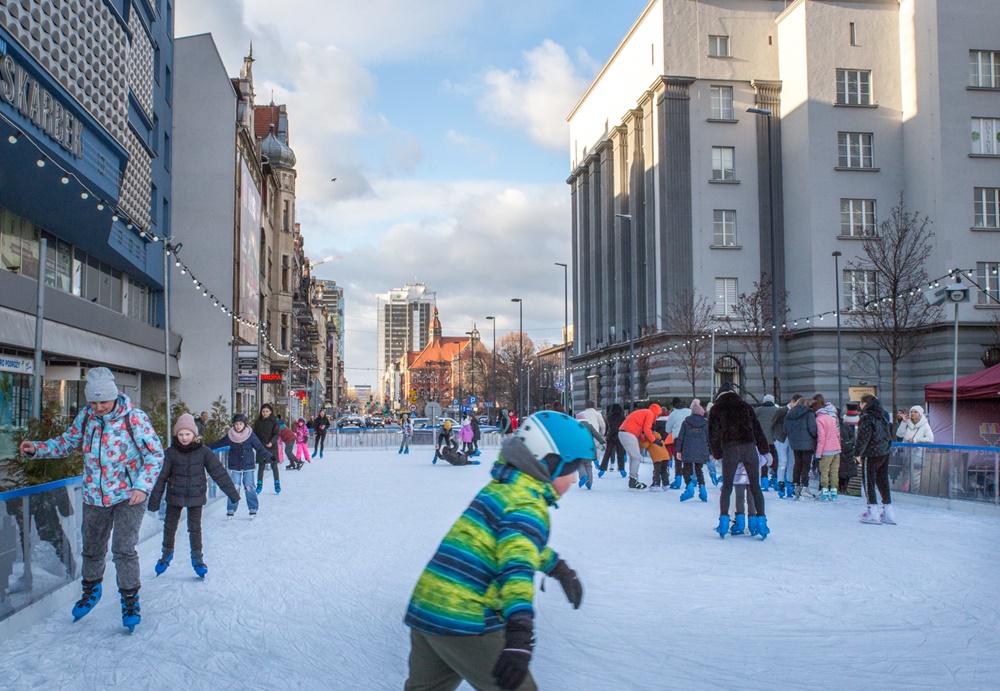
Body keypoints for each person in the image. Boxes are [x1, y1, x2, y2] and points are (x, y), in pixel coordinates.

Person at [403, 411, 590, 691]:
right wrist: (519, 634)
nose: (574, 480)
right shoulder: (528, 505)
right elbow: (516, 566)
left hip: (429, 606)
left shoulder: (504, 486)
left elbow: (511, 543)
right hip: (464, 617)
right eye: (570, 469)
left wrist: (556, 567)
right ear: (548, 464)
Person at [18, 367, 164, 632]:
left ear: (115, 396)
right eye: (93, 402)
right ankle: (91, 589)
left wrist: (142, 486)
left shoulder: (134, 419)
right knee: (92, 547)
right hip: (94, 496)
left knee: (123, 549)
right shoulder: (86, 418)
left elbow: (155, 455)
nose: (97, 407)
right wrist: (38, 449)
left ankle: (130, 600)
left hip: (129, 496)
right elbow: (67, 443)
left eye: (103, 402)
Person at [147, 414, 240, 579]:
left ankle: (197, 558)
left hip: (196, 496)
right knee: (170, 527)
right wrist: (154, 502)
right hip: (175, 496)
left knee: (195, 528)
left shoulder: (204, 452)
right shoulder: (171, 453)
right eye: (181, 434)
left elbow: (219, 473)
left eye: (187, 434)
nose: (184, 438)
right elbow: (161, 478)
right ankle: (166, 554)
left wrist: (232, 494)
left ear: (194, 435)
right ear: (176, 435)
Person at [708, 383, 771, 539]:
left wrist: (718, 453)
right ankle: (761, 523)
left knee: (728, 487)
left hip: (731, 449)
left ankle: (724, 523)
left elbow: (713, 435)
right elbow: (758, 430)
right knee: (755, 486)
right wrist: (765, 451)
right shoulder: (745, 406)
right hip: (749, 448)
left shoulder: (716, 409)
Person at [209, 413, 274, 518]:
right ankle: (231, 508)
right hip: (235, 466)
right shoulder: (230, 436)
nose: (238, 426)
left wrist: (270, 456)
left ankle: (253, 507)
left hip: (248, 466)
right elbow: (219, 443)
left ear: (245, 424)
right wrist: (206, 448)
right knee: (234, 487)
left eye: (240, 424)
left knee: (249, 487)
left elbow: (260, 448)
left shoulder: (250, 436)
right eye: (236, 424)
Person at [855, 393, 895, 525]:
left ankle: (872, 511)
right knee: (883, 480)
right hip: (884, 452)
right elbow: (889, 434)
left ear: (864, 404)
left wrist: (857, 453)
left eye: (860, 403)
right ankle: (888, 511)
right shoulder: (883, 415)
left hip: (871, 453)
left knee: (868, 482)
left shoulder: (867, 417)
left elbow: (863, 437)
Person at [618, 403, 663, 491]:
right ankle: (633, 481)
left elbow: (640, 431)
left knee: (633, 457)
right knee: (636, 457)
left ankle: (633, 479)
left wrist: (644, 441)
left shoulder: (644, 412)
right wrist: (654, 440)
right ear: (656, 413)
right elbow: (646, 429)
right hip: (629, 433)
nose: (657, 418)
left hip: (624, 433)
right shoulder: (650, 414)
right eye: (658, 415)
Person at [675, 399, 710, 502]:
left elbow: (681, 437)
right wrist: (711, 452)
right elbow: (709, 438)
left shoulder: (686, 422)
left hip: (688, 449)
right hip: (701, 450)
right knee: (699, 470)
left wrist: (678, 450)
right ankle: (702, 488)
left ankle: (689, 487)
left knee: (686, 469)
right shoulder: (705, 423)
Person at [784, 394, 817, 499]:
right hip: (808, 444)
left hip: (795, 443)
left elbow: (785, 429)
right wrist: (815, 437)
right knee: (806, 466)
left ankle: (796, 486)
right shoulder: (809, 413)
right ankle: (804, 487)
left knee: (797, 464)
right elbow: (813, 429)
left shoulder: (789, 413)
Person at [813, 394, 842, 501]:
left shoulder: (819, 420)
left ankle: (825, 490)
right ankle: (834, 491)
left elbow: (821, 437)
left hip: (826, 450)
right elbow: (837, 433)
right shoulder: (831, 418)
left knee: (824, 471)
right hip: (836, 449)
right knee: (834, 471)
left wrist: (818, 453)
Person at [252, 403, 281, 494]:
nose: (264, 413)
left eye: (266, 411)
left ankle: (277, 483)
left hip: (271, 446)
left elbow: (276, 434)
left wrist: (271, 442)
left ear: (270, 412)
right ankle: (259, 484)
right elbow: (254, 434)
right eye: (263, 411)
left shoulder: (274, 421)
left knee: (274, 465)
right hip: (261, 447)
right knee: (261, 465)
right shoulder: (258, 422)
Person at [663, 398, 691, 488]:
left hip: (678, 438)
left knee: (678, 459)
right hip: (690, 437)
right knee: (689, 459)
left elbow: (667, 429)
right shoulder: (689, 411)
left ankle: (678, 479)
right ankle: (691, 479)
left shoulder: (673, 414)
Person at [574, 411, 606, 490]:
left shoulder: (575, 427)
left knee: (579, 464)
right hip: (590, 450)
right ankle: (589, 483)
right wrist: (603, 442)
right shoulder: (590, 426)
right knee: (589, 466)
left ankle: (583, 476)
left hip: (580, 450)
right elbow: (597, 435)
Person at [754, 394, 780, 491]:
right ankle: (777, 478)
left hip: (761, 439)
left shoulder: (758, 410)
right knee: (775, 457)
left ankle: (764, 480)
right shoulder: (777, 410)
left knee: (763, 458)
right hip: (774, 439)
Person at [771, 399, 794, 498]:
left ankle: (789, 482)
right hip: (782, 438)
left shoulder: (795, 411)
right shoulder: (782, 410)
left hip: (792, 438)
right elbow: (773, 422)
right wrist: (774, 436)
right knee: (782, 461)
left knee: (791, 462)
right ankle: (781, 483)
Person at [598, 403, 627, 477]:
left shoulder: (609, 417)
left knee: (607, 453)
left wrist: (606, 435)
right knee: (620, 453)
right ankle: (622, 469)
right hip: (619, 436)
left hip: (610, 436)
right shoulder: (623, 418)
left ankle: (602, 469)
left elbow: (608, 428)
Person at [839, 402, 860, 494]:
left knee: (845, 471)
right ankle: (843, 487)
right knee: (844, 471)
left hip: (847, 450)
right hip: (847, 450)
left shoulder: (844, 424)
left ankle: (844, 487)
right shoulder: (845, 425)